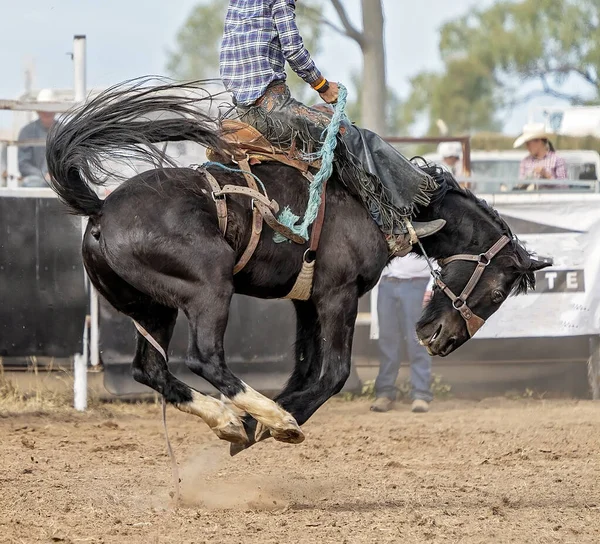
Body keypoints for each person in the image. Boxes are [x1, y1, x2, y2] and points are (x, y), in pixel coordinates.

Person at [219, 0, 444, 255]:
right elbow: (293, 50)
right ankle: (393, 228)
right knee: (351, 137)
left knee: (327, 123)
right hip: (272, 109)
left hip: (242, 112)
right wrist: (322, 86)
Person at [370, 255, 433, 413]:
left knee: (417, 340)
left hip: (418, 282)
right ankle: (385, 393)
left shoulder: (424, 228)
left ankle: (421, 393)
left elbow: (437, 257)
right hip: (387, 282)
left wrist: (431, 286)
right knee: (388, 340)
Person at [17, 89, 57, 187]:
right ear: (37, 110)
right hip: (34, 180)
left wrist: (55, 175)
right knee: (32, 184)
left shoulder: (64, 131)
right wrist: (44, 175)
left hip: (58, 179)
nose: (47, 111)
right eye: (44, 108)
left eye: (50, 108)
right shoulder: (27, 131)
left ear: (56, 109)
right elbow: (23, 164)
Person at [513, 123, 567, 189]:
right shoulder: (525, 161)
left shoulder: (557, 160)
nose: (527, 147)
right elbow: (520, 186)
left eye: (528, 144)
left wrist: (547, 175)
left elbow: (564, 187)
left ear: (539, 141)